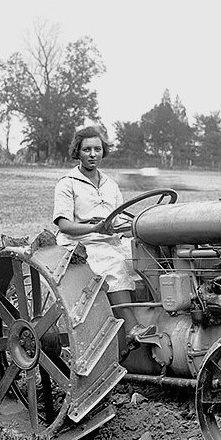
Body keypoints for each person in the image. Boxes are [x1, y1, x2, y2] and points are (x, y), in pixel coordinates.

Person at [52, 126, 147, 349]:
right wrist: (95, 228)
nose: (93, 154)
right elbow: (64, 225)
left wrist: (139, 228)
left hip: (108, 239)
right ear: (77, 151)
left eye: (97, 149)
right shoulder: (67, 183)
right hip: (80, 243)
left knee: (143, 255)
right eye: (87, 149)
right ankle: (131, 327)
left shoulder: (110, 184)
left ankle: (153, 315)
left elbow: (119, 220)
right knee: (114, 262)